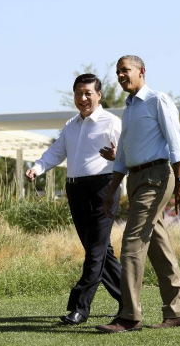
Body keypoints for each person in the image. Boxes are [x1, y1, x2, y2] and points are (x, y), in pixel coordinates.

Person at [95, 55, 180, 333]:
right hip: (137, 179)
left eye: (125, 70)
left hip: (157, 177)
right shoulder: (129, 108)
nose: (121, 76)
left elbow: (176, 142)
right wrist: (112, 190)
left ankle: (129, 316)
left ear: (141, 71)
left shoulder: (157, 100)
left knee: (133, 242)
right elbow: (123, 153)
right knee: (159, 246)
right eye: (118, 72)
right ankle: (178, 312)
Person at [25, 73, 123, 325]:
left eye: (88, 93)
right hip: (76, 190)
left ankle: (80, 307)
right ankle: (129, 300)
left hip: (105, 188)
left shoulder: (112, 122)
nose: (83, 98)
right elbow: (57, 151)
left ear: (99, 95)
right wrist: (38, 167)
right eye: (79, 93)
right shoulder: (71, 125)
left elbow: (128, 155)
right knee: (100, 251)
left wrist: (117, 155)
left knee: (95, 252)